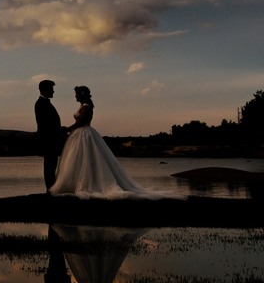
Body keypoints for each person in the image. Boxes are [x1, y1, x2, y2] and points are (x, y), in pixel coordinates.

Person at [48, 86, 183, 200]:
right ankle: (77, 184)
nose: (75, 96)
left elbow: (82, 122)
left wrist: (68, 129)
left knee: (85, 159)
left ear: (81, 95)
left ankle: (86, 184)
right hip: (80, 134)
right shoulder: (84, 106)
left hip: (84, 134)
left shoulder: (85, 107)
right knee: (79, 160)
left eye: (76, 94)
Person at [34, 79, 66, 190]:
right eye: (52, 89)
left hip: (52, 139)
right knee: (49, 165)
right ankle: (50, 189)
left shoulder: (45, 103)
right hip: (48, 140)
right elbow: (45, 125)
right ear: (45, 90)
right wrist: (58, 132)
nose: (53, 92)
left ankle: (51, 188)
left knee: (51, 165)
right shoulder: (40, 104)